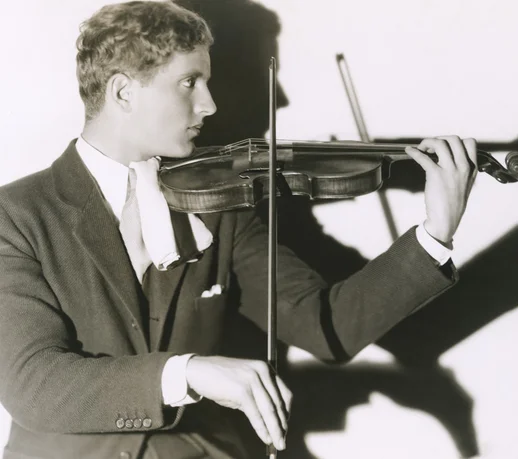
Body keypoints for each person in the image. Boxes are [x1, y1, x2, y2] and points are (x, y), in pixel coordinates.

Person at [0, 2, 478, 458]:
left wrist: (436, 233)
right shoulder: (16, 215)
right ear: (124, 92)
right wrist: (189, 372)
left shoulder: (218, 203)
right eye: (190, 82)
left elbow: (326, 328)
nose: (209, 104)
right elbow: (31, 384)